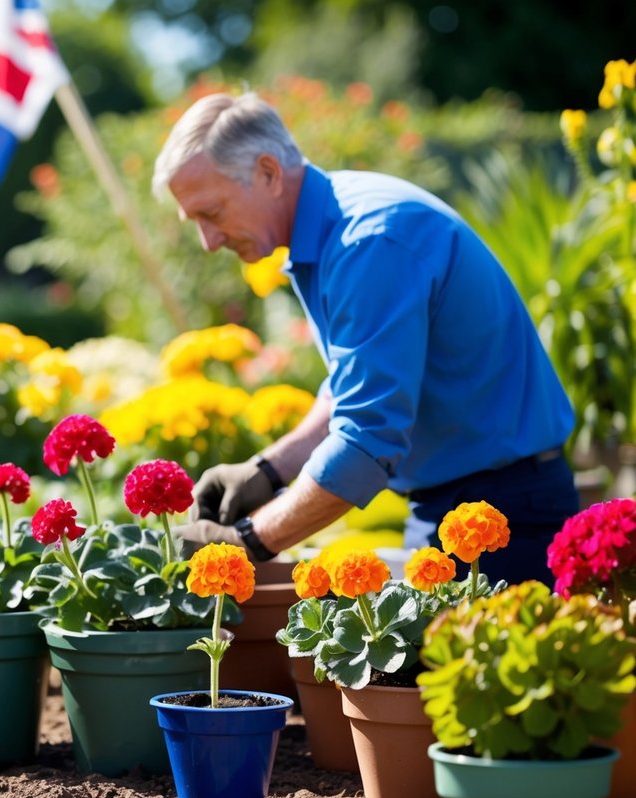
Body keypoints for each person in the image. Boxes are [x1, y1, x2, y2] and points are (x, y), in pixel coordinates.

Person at [159, 91, 579, 586]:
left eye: (211, 214)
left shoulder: (368, 242)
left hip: (504, 519)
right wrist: (268, 469)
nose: (208, 242)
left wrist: (246, 541)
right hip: (459, 503)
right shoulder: (337, 225)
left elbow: (367, 442)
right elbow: (355, 384)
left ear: (269, 173)